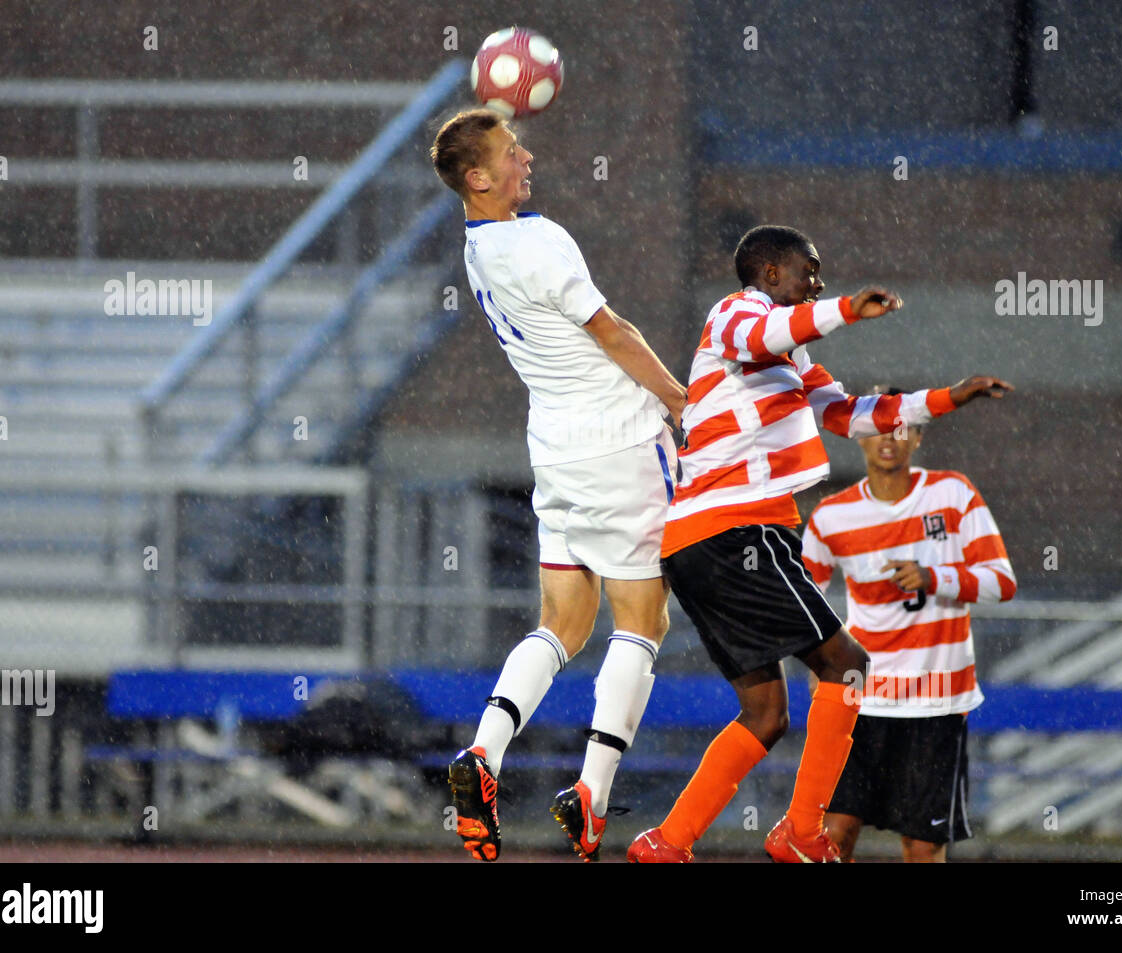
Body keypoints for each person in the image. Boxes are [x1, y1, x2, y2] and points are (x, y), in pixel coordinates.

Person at [627, 224, 1012, 863]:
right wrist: (843, 312)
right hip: (737, 530)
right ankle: (803, 833)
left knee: (766, 714)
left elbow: (854, 414)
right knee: (849, 667)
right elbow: (766, 335)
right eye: (810, 271)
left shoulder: (790, 355)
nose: (819, 282)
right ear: (772, 275)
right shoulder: (736, 313)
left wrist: (949, 398)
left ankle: (667, 843)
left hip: (705, 540)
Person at [429, 109, 687, 862]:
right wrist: (678, 399)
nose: (527, 158)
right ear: (478, 177)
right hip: (618, 442)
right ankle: (594, 791)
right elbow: (613, 330)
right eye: (513, 153)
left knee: (563, 624)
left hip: (554, 449)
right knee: (642, 621)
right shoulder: (539, 241)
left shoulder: (478, 246)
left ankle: (483, 750)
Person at [801, 391, 1016, 862]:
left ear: (918, 436)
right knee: (831, 834)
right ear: (858, 435)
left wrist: (935, 577)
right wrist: (818, 662)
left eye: (902, 427)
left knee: (922, 844)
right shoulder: (830, 517)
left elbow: (1002, 583)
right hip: (862, 699)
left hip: (936, 703)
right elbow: (803, 602)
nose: (889, 437)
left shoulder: (953, 493)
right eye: (878, 425)